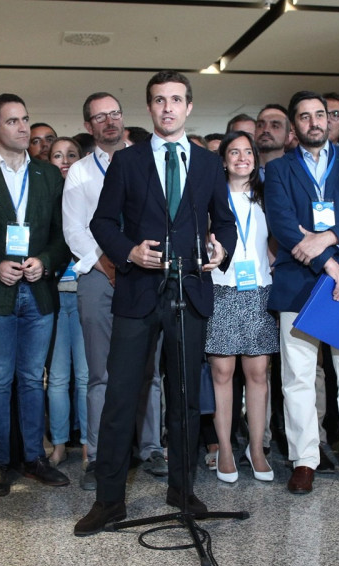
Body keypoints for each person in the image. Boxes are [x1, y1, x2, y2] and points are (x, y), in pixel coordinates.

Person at [74, 70, 234, 535]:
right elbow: (102, 223)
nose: (168, 108)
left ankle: (182, 489)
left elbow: (224, 222)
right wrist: (128, 251)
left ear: (188, 107)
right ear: (149, 109)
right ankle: (109, 500)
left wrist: (221, 248)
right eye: (159, 100)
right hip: (137, 293)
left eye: (176, 100)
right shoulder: (127, 161)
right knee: (122, 395)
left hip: (189, 293)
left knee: (184, 397)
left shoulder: (207, 164)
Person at [264, 91, 339, 495]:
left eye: (321, 114)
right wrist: (328, 263)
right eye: (304, 116)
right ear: (294, 126)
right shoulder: (279, 170)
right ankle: (304, 459)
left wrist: (328, 239)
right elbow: (283, 224)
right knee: (297, 376)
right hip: (302, 281)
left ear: (331, 121)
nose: (315, 122)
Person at [61, 93, 167, 491]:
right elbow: (74, 228)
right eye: (99, 117)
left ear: (124, 118)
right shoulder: (80, 172)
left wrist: (136, 261)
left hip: (146, 275)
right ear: (89, 127)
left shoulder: (146, 161)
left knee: (149, 369)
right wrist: (108, 263)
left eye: (115, 114)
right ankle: (99, 453)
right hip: (97, 274)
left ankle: (152, 447)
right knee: (100, 372)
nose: (109, 122)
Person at [0, 93, 71, 494]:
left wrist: (46, 262)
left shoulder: (48, 175)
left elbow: (62, 237)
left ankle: (33, 457)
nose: (22, 128)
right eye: (13, 122)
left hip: (39, 291)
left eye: (25, 120)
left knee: (34, 378)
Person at [207, 131, 277, 484]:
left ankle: (257, 449)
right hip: (220, 290)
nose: (241, 158)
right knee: (222, 374)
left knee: (258, 375)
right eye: (233, 152)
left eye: (247, 152)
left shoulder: (268, 196)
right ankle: (224, 447)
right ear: (223, 161)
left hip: (259, 292)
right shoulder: (210, 198)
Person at [47, 136, 88, 467]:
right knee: (58, 377)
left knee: (87, 376)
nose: (64, 160)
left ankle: (89, 443)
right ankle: (59, 443)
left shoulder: (88, 195)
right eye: (57, 155)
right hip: (53, 298)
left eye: (70, 155)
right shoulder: (44, 198)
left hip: (86, 294)